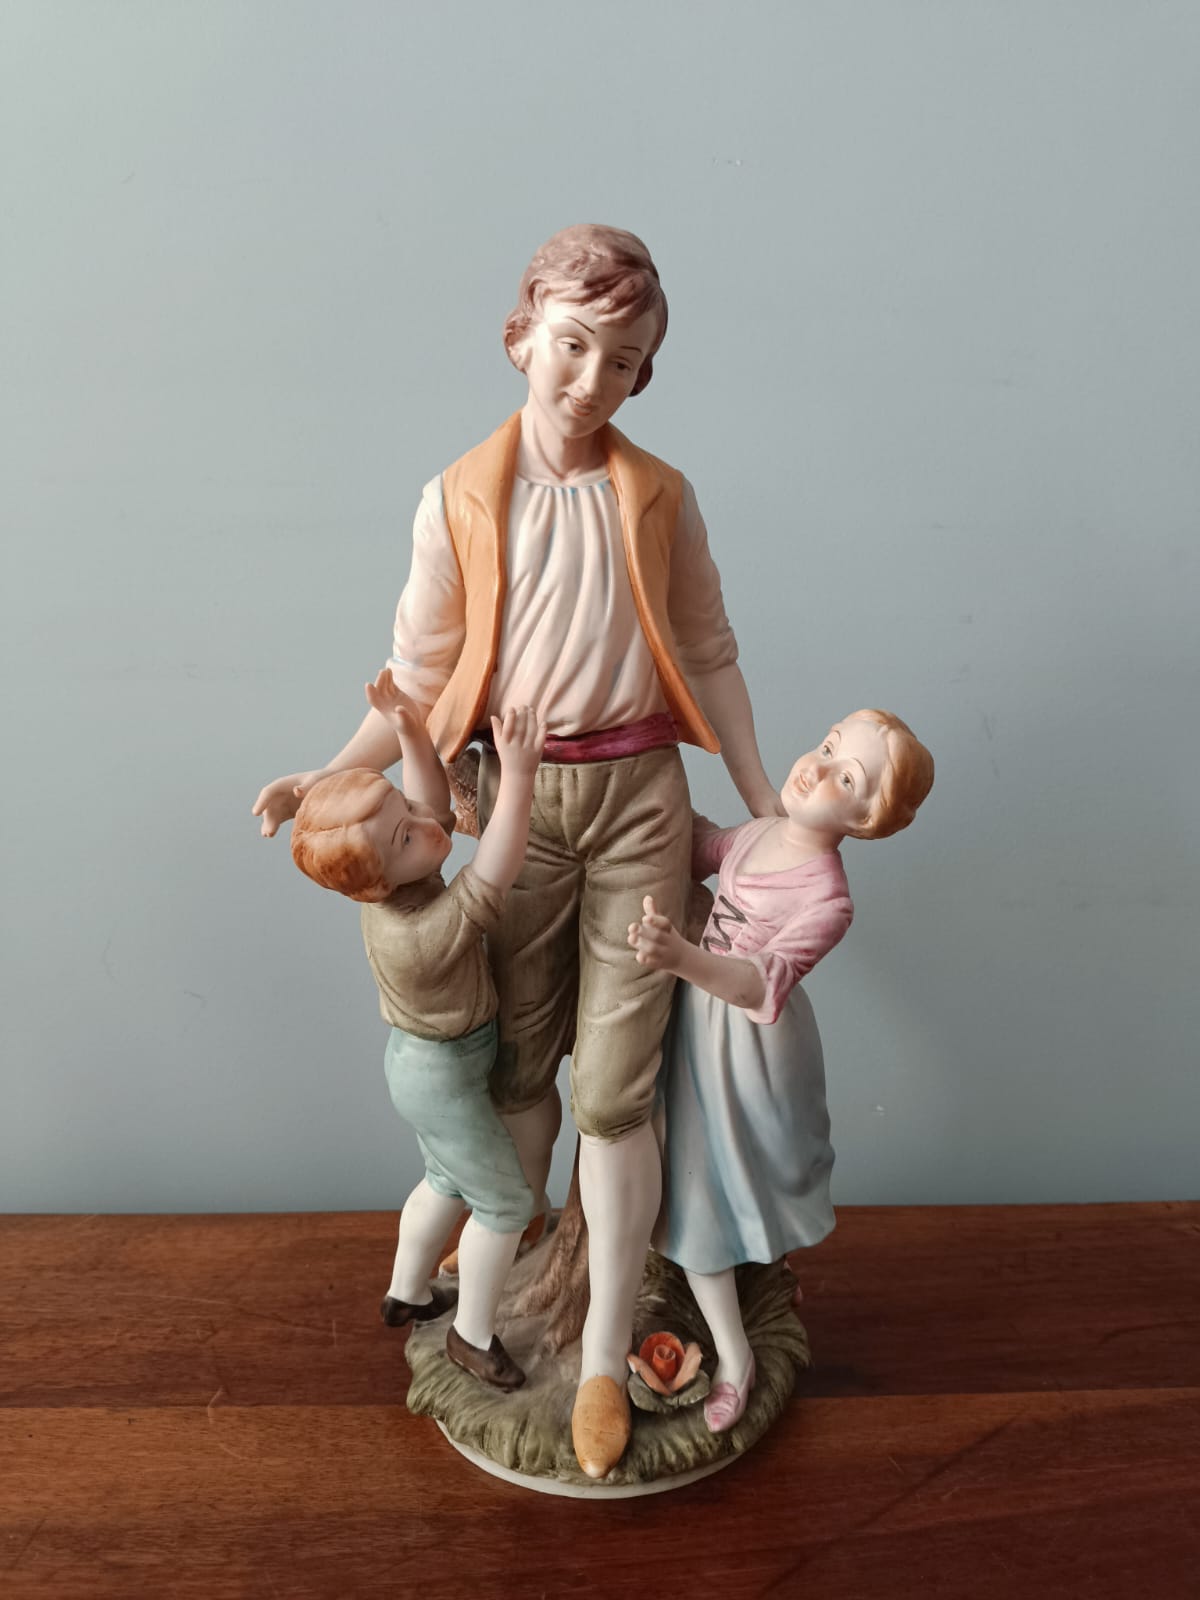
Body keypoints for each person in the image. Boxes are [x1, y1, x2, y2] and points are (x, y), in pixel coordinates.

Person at [254, 226, 779, 1478]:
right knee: (520, 1066)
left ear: (645, 375)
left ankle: (599, 1356)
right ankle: (505, 1285)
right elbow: (416, 675)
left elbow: (710, 652)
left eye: (624, 362)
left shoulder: (660, 497)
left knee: (619, 1090)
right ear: (520, 340)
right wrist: (331, 773)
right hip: (514, 809)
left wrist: (761, 803)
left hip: (641, 798)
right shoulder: (459, 497)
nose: (593, 381)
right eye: (573, 347)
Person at [629, 709, 934, 1433]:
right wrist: (648, 773)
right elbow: (699, 842)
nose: (817, 767)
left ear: (865, 820)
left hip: (746, 1056)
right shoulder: (760, 833)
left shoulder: (828, 901)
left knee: (714, 1194)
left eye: (846, 777)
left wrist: (680, 958)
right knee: (699, 1191)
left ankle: (735, 1361)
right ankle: (745, 1307)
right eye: (828, 746)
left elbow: (758, 983)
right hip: (693, 1032)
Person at [291, 668, 547, 1392]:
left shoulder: (397, 878)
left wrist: (408, 730)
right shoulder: (415, 934)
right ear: (375, 879)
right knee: (505, 1203)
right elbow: (492, 873)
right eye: (405, 835)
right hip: (443, 1072)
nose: (427, 826)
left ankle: (406, 1291)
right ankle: (473, 1335)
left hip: (422, 1066)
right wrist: (518, 778)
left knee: (444, 1178)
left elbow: (431, 808)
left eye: (401, 806)